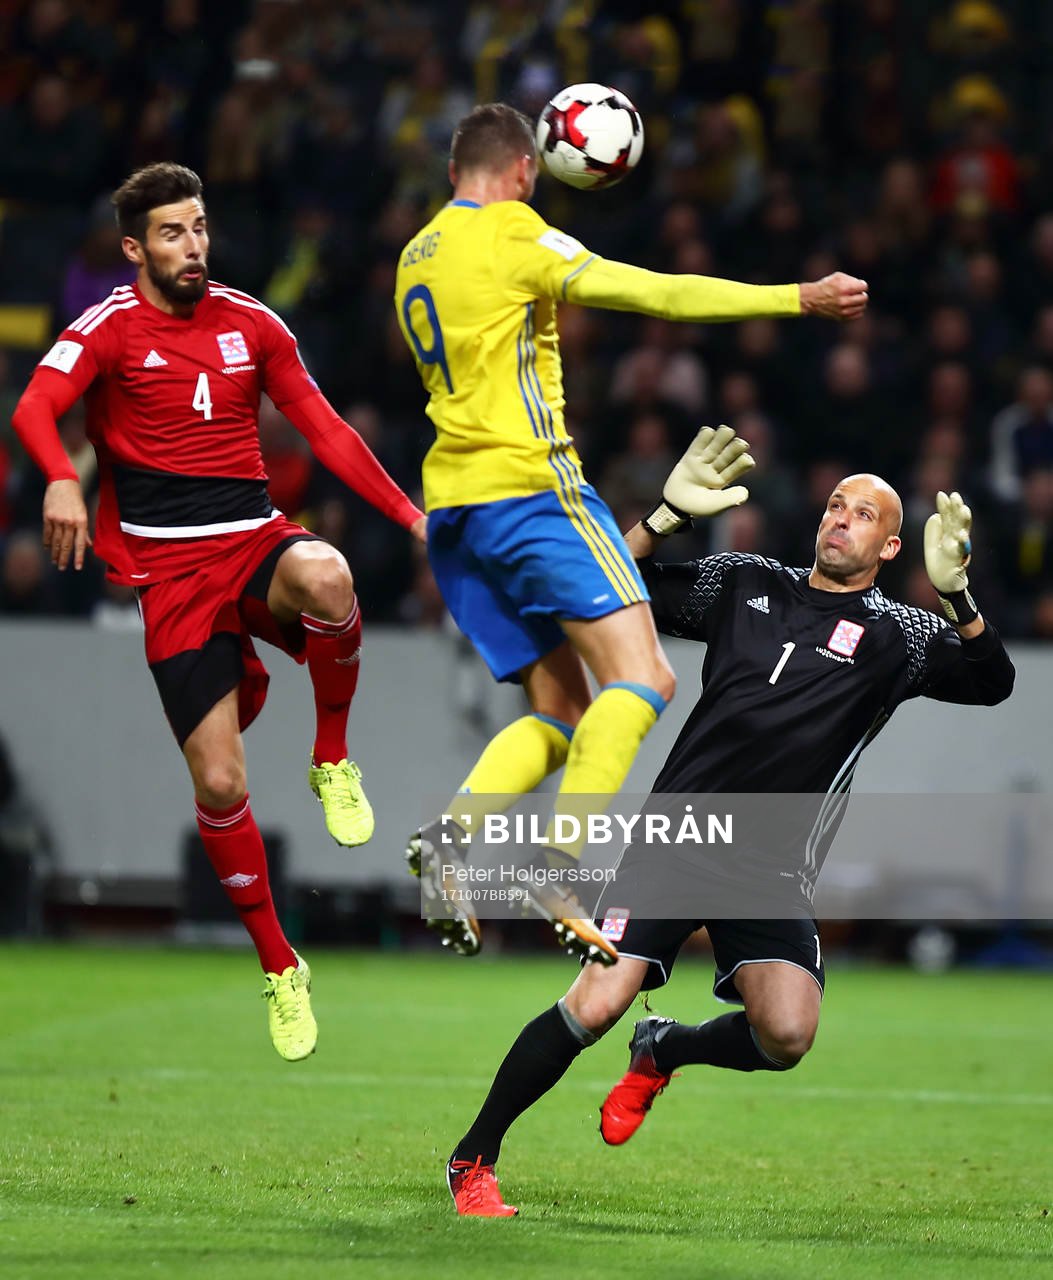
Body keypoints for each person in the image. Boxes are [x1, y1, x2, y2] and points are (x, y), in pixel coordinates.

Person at [443, 427, 1014, 1216]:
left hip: (770, 867)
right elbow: (607, 586)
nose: (839, 519)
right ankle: (473, 1157)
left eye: (862, 514)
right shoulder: (746, 582)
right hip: (678, 836)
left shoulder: (899, 635)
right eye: (833, 505)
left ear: (889, 546)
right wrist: (664, 517)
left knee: (785, 1034)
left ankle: (667, 1046)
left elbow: (993, 684)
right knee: (595, 1004)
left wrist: (956, 597)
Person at [394, 103, 868, 965]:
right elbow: (655, 293)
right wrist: (792, 298)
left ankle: (451, 838)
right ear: (526, 170)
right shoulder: (515, 234)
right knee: (644, 677)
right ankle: (559, 868)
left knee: (564, 708)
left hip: (455, 516)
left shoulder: (415, 254)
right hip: (531, 490)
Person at [12, 162, 426, 1062]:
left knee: (327, 575)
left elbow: (325, 430)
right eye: (172, 233)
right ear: (135, 248)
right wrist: (58, 478)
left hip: (251, 539)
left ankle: (331, 756)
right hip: (170, 578)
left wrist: (408, 516)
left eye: (199, 228)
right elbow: (36, 407)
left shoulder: (252, 322)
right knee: (222, 786)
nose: (193, 246)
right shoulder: (108, 328)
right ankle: (282, 967)